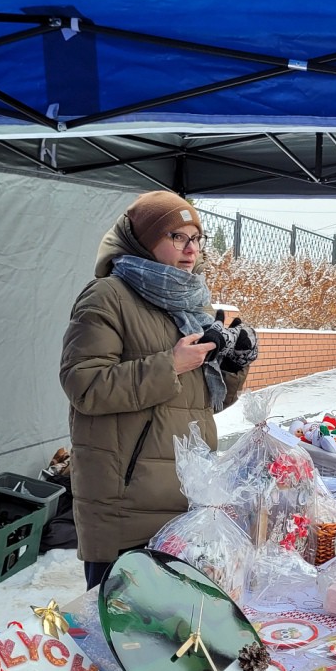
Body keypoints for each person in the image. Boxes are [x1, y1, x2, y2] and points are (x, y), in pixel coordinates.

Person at [60, 191, 256, 590]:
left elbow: (199, 404)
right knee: (122, 634)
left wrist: (233, 365)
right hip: (127, 502)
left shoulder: (190, 304)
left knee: (172, 634)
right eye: (176, 237)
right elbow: (85, 385)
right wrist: (171, 363)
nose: (190, 250)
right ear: (145, 241)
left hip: (184, 500)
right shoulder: (107, 296)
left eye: (196, 238)